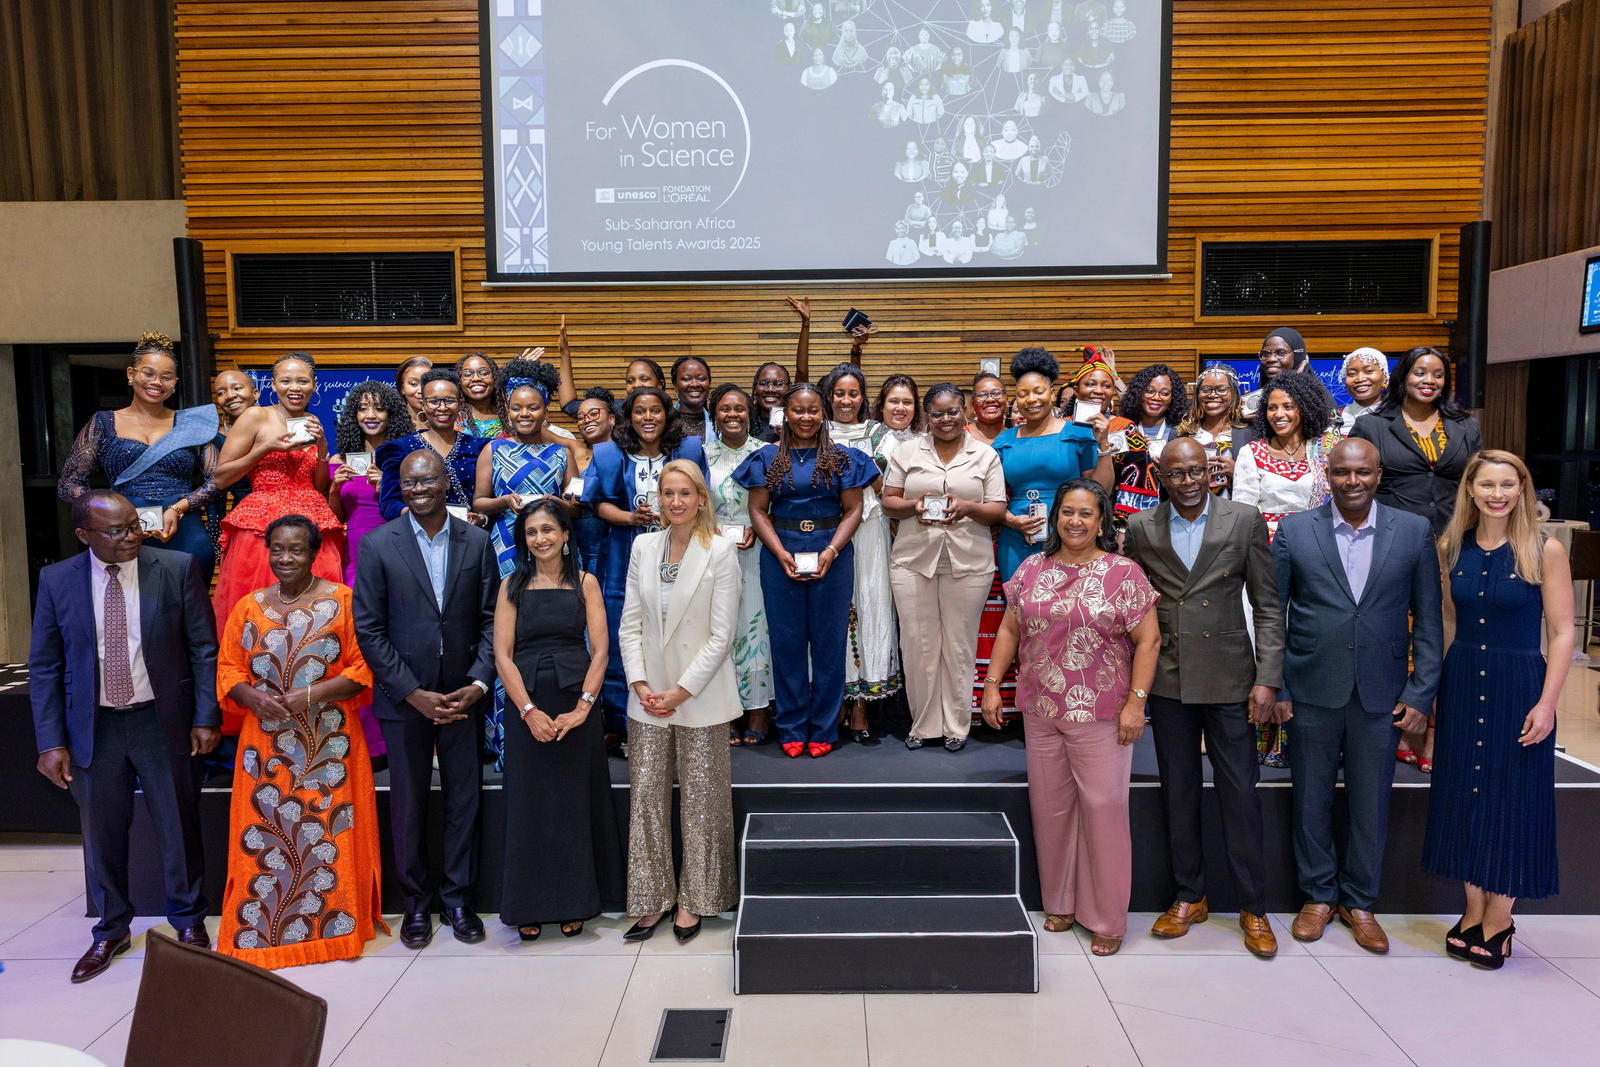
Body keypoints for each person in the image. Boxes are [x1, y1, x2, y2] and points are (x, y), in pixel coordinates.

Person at [28, 491, 218, 983]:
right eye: (116, 531)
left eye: (134, 525)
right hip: (94, 727)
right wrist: (50, 741)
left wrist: (204, 716)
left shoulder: (175, 568)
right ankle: (111, 929)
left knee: (178, 826)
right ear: (83, 535)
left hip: (161, 720)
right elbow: (46, 666)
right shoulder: (56, 581)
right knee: (103, 834)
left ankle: (189, 922)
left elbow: (203, 648)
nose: (131, 536)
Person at [1273, 438, 1443, 953]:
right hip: (1310, 687)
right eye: (1343, 473)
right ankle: (1318, 896)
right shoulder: (1295, 530)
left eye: (1363, 473)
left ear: (1378, 474)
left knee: (1371, 803)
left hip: (1383, 692)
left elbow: (1429, 622)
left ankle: (1361, 901)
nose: (1353, 482)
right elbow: (1272, 614)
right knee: (1311, 799)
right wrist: (1277, 684)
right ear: (1329, 474)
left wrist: (1420, 691)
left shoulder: (1412, 532)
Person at [982, 479, 1160, 956]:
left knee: (1103, 811)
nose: (1075, 521)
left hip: (1102, 713)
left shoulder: (1123, 573)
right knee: (1052, 810)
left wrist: (1136, 703)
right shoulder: (1030, 571)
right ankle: (1060, 902)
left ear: (1102, 522)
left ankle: (1106, 918)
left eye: (1086, 513)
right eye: (1067, 512)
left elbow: (1149, 641)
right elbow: (1009, 629)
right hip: (1040, 709)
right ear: (1055, 517)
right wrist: (993, 684)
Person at [1122, 440, 1284, 957]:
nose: (1189, 480)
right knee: (1179, 792)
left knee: (1241, 794)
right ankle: (1189, 896)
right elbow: (1136, 608)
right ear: (1159, 476)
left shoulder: (1243, 519)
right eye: (1176, 473)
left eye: (1197, 471)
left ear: (1211, 472)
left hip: (1232, 676)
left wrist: (1268, 677)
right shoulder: (1142, 527)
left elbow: (1266, 603)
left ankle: (1253, 906)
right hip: (1169, 675)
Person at [213, 515, 384, 966]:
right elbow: (228, 668)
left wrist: (310, 695)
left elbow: (363, 668)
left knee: (329, 832)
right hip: (265, 749)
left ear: (314, 553)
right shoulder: (249, 607)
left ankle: (334, 929)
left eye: (296, 550)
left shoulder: (343, 601)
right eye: (278, 550)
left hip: (330, 745)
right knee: (266, 832)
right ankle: (263, 930)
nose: (286, 558)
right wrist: (250, 696)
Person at [1423, 451, 1572, 968]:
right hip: (1463, 679)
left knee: (1511, 797)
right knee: (1464, 792)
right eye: (1486, 484)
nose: (1497, 494)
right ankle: (1471, 908)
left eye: (1507, 484)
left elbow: (1561, 631)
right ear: (1470, 488)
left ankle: (1500, 918)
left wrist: (1548, 703)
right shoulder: (1452, 546)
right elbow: (1445, 623)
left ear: (1522, 488)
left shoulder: (1544, 550)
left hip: (1519, 685)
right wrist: (1437, 693)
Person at [354, 449, 499, 949]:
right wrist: (411, 692)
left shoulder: (477, 542)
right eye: (408, 482)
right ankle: (416, 905)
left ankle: (458, 900)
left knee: (465, 800)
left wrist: (478, 682)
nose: (418, 489)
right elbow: (369, 630)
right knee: (409, 804)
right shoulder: (377, 545)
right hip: (404, 698)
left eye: (427, 481)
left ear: (444, 483)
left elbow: (489, 621)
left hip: (462, 696)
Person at [618, 462, 741, 943]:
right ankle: (651, 899)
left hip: (701, 694)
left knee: (703, 800)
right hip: (647, 697)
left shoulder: (721, 549)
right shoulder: (642, 545)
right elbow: (631, 623)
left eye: (684, 493)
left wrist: (682, 690)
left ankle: (698, 897)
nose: (675, 502)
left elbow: (721, 634)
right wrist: (640, 683)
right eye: (667, 493)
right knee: (646, 798)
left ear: (701, 498)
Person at [494, 499, 622, 940]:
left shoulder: (585, 583)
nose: (541, 539)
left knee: (572, 805)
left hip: (576, 702)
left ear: (566, 535)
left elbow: (601, 649)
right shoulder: (510, 584)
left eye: (549, 530)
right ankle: (527, 904)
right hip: (527, 703)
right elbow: (502, 655)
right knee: (530, 805)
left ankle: (576, 902)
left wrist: (585, 707)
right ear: (523, 540)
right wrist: (528, 711)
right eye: (532, 532)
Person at [735, 383, 877, 758]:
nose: (806, 417)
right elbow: (757, 511)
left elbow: (854, 510)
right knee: (788, 644)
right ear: (786, 413)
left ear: (823, 413)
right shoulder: (766, 458)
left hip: (833, 553)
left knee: (829, 645)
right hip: (780, 553)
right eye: (798, 410)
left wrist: (832, 549)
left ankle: (825, 727)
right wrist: (779, 551)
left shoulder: (844, 457)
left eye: (813, 410)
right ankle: (793, 726)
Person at [883, 384, 1006, 750]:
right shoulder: (906, 451)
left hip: (969, 561)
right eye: (937, 413)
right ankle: (923, 725)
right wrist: (914, 505)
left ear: (964, 410)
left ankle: (956, 726)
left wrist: (967, 508)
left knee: (958, 646)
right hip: (912, 560)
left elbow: (998, 509)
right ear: (927, 416)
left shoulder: (985, 456)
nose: (946, 419)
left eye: (953, 411)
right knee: (918, 645)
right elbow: (889, 501)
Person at [582, 387, 709, 737]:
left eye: (655, 410)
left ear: (667, 414)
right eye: (640, 411)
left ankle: (677, 713)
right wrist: (630, 518)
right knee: (623, 634)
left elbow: (702, 496)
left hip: (680, 553)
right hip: (623, 554)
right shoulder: (609, 453)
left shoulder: (688, 450)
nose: (648, 418)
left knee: (677, 633)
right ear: (629, 416)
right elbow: (598, 504)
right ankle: (624, 725)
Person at [472, 360, 576, 767]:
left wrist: (569, 505)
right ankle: (505, 738)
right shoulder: (493, 449)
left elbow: (574, 501)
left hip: (551, 552)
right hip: (506, 550)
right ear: (507, 411)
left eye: (532, 407)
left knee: (547, 636)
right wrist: (504, 503)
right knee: (507, 640)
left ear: (545, 410)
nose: (524, 414)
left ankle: (555, 724)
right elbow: (479, 502)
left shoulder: (561, 451)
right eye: (517, 408)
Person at [211, 352, 344, 665]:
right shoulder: (256, 416)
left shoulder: (312, 422)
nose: (294, 387)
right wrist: (265, 448)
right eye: (286, 380)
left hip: (312, 518)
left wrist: (323, 449)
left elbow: (319, 484)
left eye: (302, 380)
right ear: (273, 384)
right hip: (262, 522)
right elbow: (220, 476)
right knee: (261, 611)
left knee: (318, 611)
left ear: (313, 386)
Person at [59, 332, 219, 578]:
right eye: (148, 373)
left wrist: (177, 509)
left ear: (175, 382)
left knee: (190, 608)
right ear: (131, 374)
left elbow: (216, 480)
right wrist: (113, 511)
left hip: (183, 528)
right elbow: (68, 485)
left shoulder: (191, 424)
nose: (157, 382)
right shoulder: (103, 423)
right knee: (132, 609)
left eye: (166, 377)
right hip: (123, 531)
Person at [328, 380, 412, 757]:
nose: (371, 415)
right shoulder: (337, 460)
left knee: (398, 641)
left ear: (391, 413)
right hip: (354, 557)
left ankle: (401, 737)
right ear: (353, 415)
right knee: (360, 644)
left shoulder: (401, 457)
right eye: (363, 408)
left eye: (379, 408)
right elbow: (332, 518)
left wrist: (386, 488)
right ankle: (368, 743)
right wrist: (334, 489)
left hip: (396, 553)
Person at [821, 362, 903, 740]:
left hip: (870, 532)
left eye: (853, 393)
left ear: (862, 397)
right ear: (829, 396)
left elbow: (893, 484)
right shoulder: (815, 430)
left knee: (870, 606)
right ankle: (834, 697)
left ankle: (861, 704)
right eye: (839, 393)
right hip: (825, 531)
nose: (846, 400)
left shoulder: (882, 435)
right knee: (833, 612)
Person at [991, 347, 1115, 583]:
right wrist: (1010, 521)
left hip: (1069, 533)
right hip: (1017, 535)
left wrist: (1103, 443)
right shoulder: (1003, 441)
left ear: (1052, 392)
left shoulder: (1078, 434)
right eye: (1022, 394)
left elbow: (1101, 490)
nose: (1031, 399)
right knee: (1019, 606)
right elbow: (989, 495)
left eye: (1038, 392)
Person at [1349, 345, 1484, 539]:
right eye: (1419, 373)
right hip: (1391, 536)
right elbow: (1355, 486)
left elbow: (1477, 479)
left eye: (1438, 375)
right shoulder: (1370, 426)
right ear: (1403, 377)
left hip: (1456, 535)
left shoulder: (1466, 425)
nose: (1429, 380)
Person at [703, 385, 774, 743]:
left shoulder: (768, 453)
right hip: (711, 555)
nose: (733, 414)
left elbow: (782, 501)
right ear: (714, 414)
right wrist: (709, 528)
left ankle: (758, 712)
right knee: (720, 632)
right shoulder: (701, 455)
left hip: (757, 554)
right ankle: (725, 711)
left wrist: (761, 530)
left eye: (740, 409)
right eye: (725, 409)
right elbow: (690, 502)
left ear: (751, 413)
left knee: (755, 629)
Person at [1232, 368, 1341, 538]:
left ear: (1306, 408)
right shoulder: (1251, 453)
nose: (1279, 414)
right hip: (1268, 545)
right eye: (1272, 408)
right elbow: (1244, 512)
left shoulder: (1325, 449)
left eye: (1288, 406)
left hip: (1318, 540)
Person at [376, 368, 492, 521]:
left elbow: (489, 502)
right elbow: (389, 505)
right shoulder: (401, 449)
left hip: (468, 534)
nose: (442, 408)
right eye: (434, 401)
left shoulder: (481, 447)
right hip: (418, 536)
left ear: (459, 404)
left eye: (449, 400)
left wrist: (482, 519)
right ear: (423, 404)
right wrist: (428, 518)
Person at [1116, 361, 1188, 513]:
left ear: (1172, 398)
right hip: (1127, 509)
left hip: (1171, 509)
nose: (1156, 397)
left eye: (1165, 393)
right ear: (1139, 393)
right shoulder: (1124, 428)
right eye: (1149, 391)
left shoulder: (1181, 432)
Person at [1177, 363, 1250, 494]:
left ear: (1234, 393)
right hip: (1192, 508)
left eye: (1221, 389)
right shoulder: (1182, 434)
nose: (1212, 395)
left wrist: (1237, 472)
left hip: (1237, 509)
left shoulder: (1250, 434)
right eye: (1205, 389)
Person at [1240, 327, 1334, 418]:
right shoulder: (1261, 395)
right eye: (1265, 354)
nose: (1271, 359)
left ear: (1297, 356)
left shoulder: (1319, 400)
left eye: (1281, 353)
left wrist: (1262, 421)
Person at [1335, 346, 1388, 435]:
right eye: (1352, 374)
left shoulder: (1398, 416)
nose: (1360, 379)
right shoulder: (1335, 418)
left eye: (1369, 371)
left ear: (1385, 378)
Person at [453, 352, 502, 437]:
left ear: (494, 377)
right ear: (459, 381)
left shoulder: (509, 414)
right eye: (468, 374)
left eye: (483, 373)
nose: (476, 378)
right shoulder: (452, 416)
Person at [670, 355, 716, 438]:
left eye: (701, 379)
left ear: (709, 384)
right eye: (686, 379)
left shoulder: (719, 423)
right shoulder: (664, 422)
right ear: (675, 386)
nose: (695, 384)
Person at [967, 369, 1008, 446]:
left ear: (1006, 399)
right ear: (973, 403)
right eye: (982, 395)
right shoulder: (961, 436)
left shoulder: (1015, 436)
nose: (990, 399)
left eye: (996, 393)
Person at [395, 355, 433, 431]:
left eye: (426, 383)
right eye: (413, 383)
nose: (420, 391)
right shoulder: (392, 423)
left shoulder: (447, 421)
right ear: (402, 388)